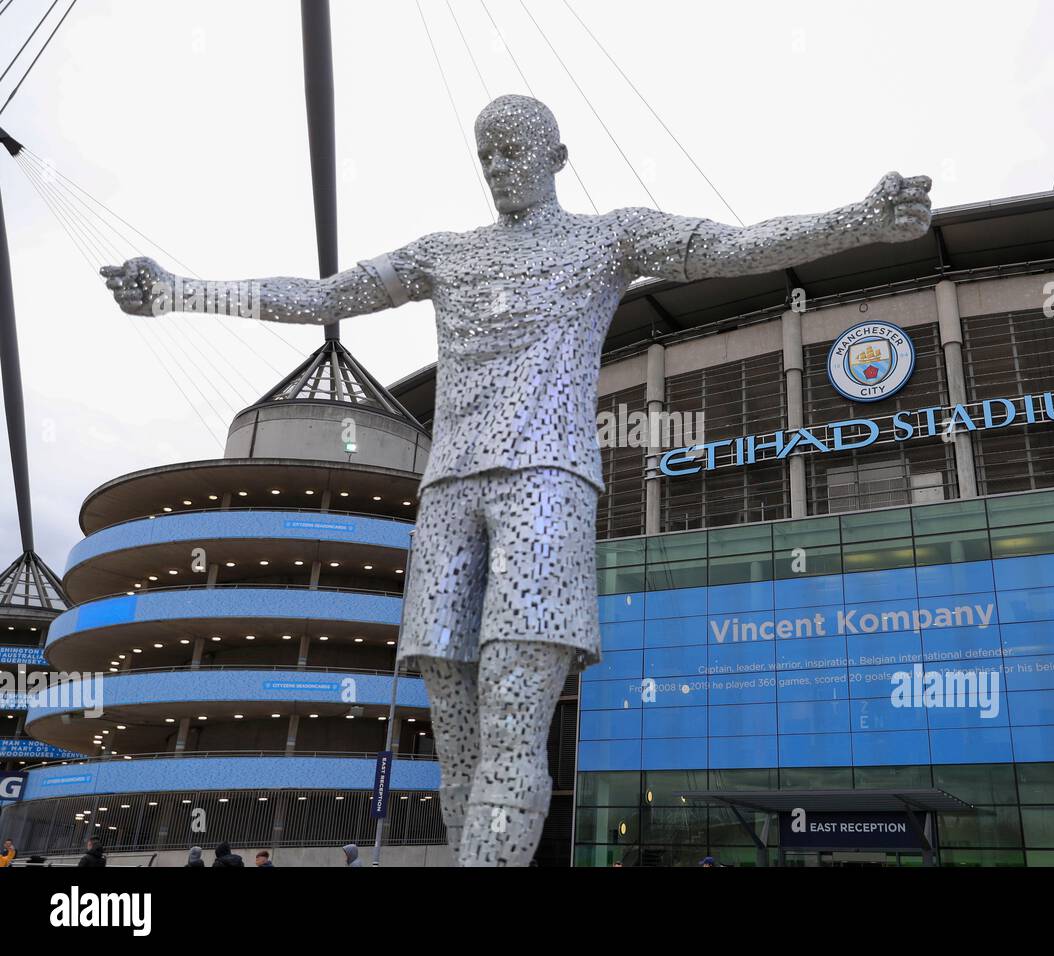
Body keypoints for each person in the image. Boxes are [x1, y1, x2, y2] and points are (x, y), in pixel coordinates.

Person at [100, 94, 931, 868]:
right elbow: (323, 293)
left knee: (510, 702)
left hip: (548, 479)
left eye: (515, 150)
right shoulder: (446, 254)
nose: (499, 166)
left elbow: (731, 244)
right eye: (486, 154)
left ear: (558, 155)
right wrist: (178, 290)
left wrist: (859, 219)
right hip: (449, 489)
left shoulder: (607, 240)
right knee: (452, 713)